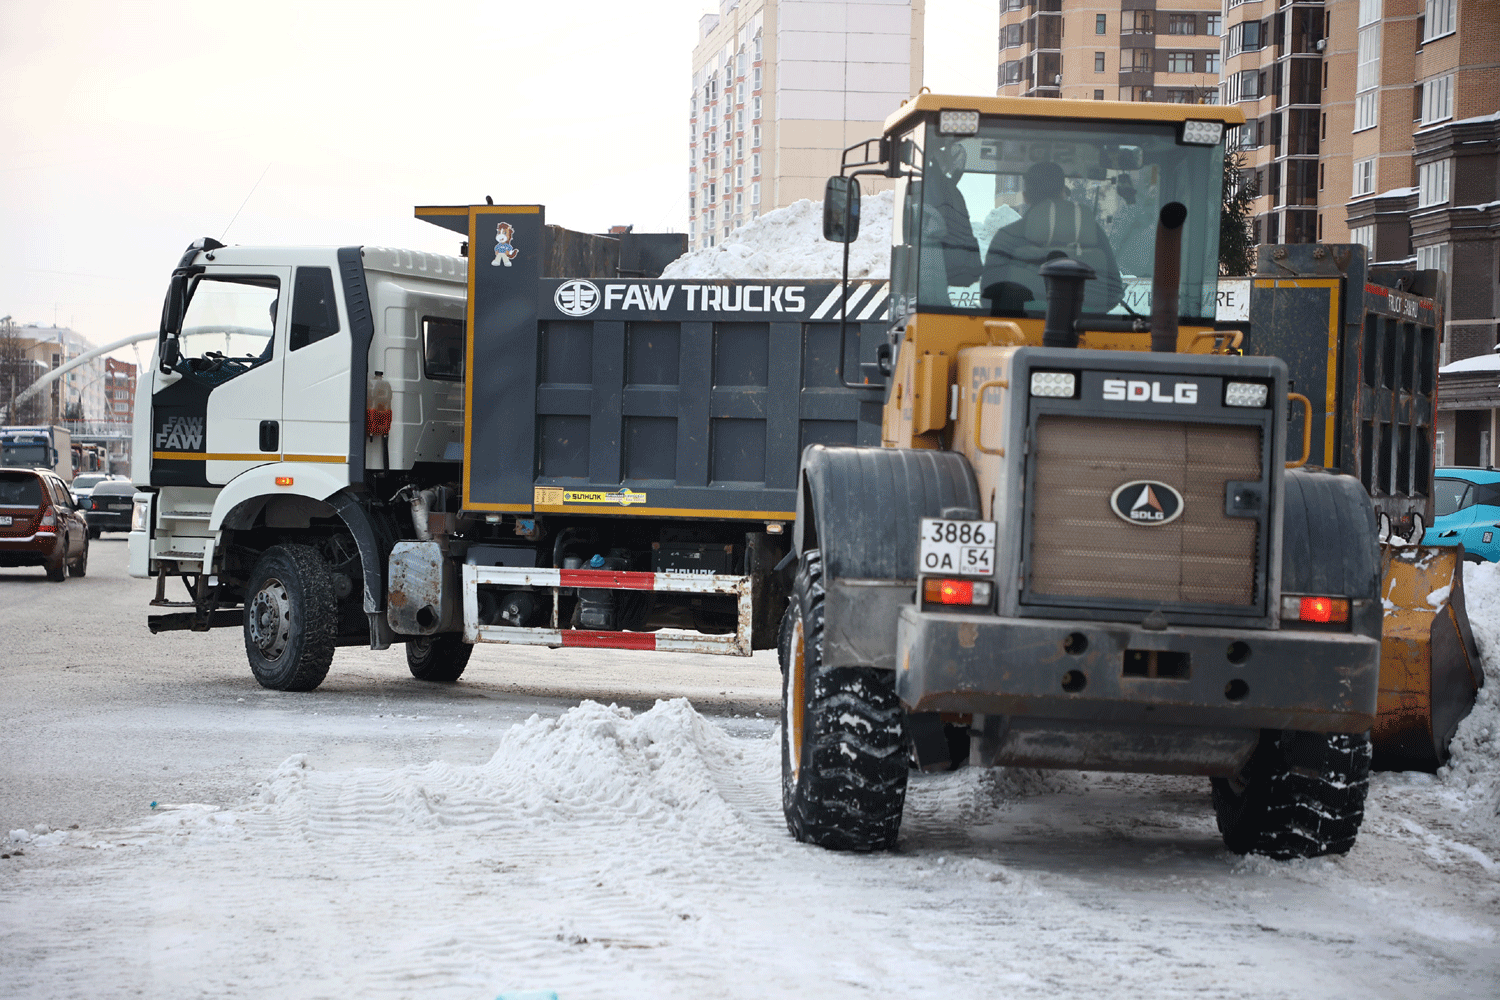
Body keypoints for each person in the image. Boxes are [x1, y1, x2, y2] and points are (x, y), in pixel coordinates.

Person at [981, 160, 1124, 315]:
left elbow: (988, 298)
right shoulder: (1094, 235)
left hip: (1015, 334)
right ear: (1063, 192)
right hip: (1085, 331)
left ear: (1026, 197)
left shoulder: (1008, 237)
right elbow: (1114, 292)